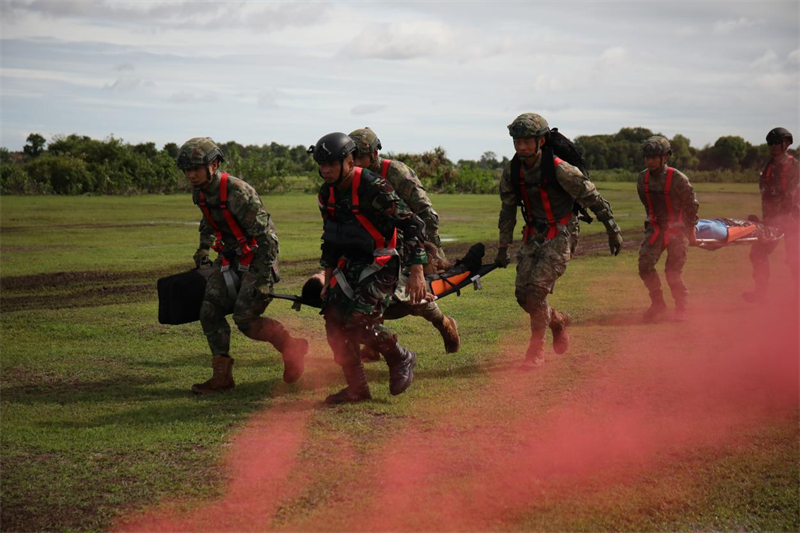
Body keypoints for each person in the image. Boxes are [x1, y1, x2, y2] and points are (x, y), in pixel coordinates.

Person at [176, 137, 308, 395]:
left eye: (196, 168)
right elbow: (208, 221)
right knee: (209, 310)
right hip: (230, 256)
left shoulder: (238, 192)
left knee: (245, 319)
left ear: (213, 165)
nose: (191, 174)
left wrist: (262, 279)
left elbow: (267, 238)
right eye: (187, 170)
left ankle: (292, 348)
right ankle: (222, 378)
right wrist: (204, 248)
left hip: (259, 257)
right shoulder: (200, 191)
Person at [495, 113, 623, 370]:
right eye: (517, 140)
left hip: (562, 232)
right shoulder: (512, 171)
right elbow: (507, 210)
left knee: (537, 291)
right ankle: (558, 321)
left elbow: (593, 198)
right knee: (523, 296)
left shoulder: (560, 169)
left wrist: (612, 229)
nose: (521, 146)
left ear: (541, 140)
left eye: (527, 141)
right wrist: (502, 247)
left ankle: (535, 350)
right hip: (533, 234)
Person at [310, 132, 427, 404]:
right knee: (334, 322)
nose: (325, 170)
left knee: (358, 321)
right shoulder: (325, 194)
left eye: (331, 164)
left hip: (381, 262)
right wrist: (328, 278)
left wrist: (417, 270)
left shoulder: (375, 187)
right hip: (349, 263)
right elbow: (330, 237)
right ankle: (357, 388)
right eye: (321, 164)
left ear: (350, 162)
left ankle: (401, 357)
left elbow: (412, 225)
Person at [349, 127, 459, 354]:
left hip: (411, 241)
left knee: (412, 298)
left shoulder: (396, 172)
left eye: (359, 156)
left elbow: (425, 214)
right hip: (376, 244)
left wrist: (428, 251)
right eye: (351, 157)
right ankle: (373, 343)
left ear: (374, 154)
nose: (355, 162)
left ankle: (444, 324)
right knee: (365, 288)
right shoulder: (351, 178)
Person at [636, 135, 699, 321]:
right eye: (647, 157)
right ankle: (658, 303)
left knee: (672, 272)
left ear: (665, 157)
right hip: (656, 229)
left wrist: (691, 228)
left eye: (654, 157)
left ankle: (681, 307)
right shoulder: (642, 178)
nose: (650, 161)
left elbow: (691, 204)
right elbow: (646, 204)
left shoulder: (678, 178)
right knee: (644, 265)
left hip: (678, 231)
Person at [743, 127, 799, 302]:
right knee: (757, 253)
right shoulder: (767, 167)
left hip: (793, 220)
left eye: (776, 142)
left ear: (786, 144)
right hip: (771, 220)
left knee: (795, 258)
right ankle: (761, 293)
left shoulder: (794, 165)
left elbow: (793, 194)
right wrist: (763, 220)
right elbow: (767, 195)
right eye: (770, 143)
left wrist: (786, 218)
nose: (773, 146)